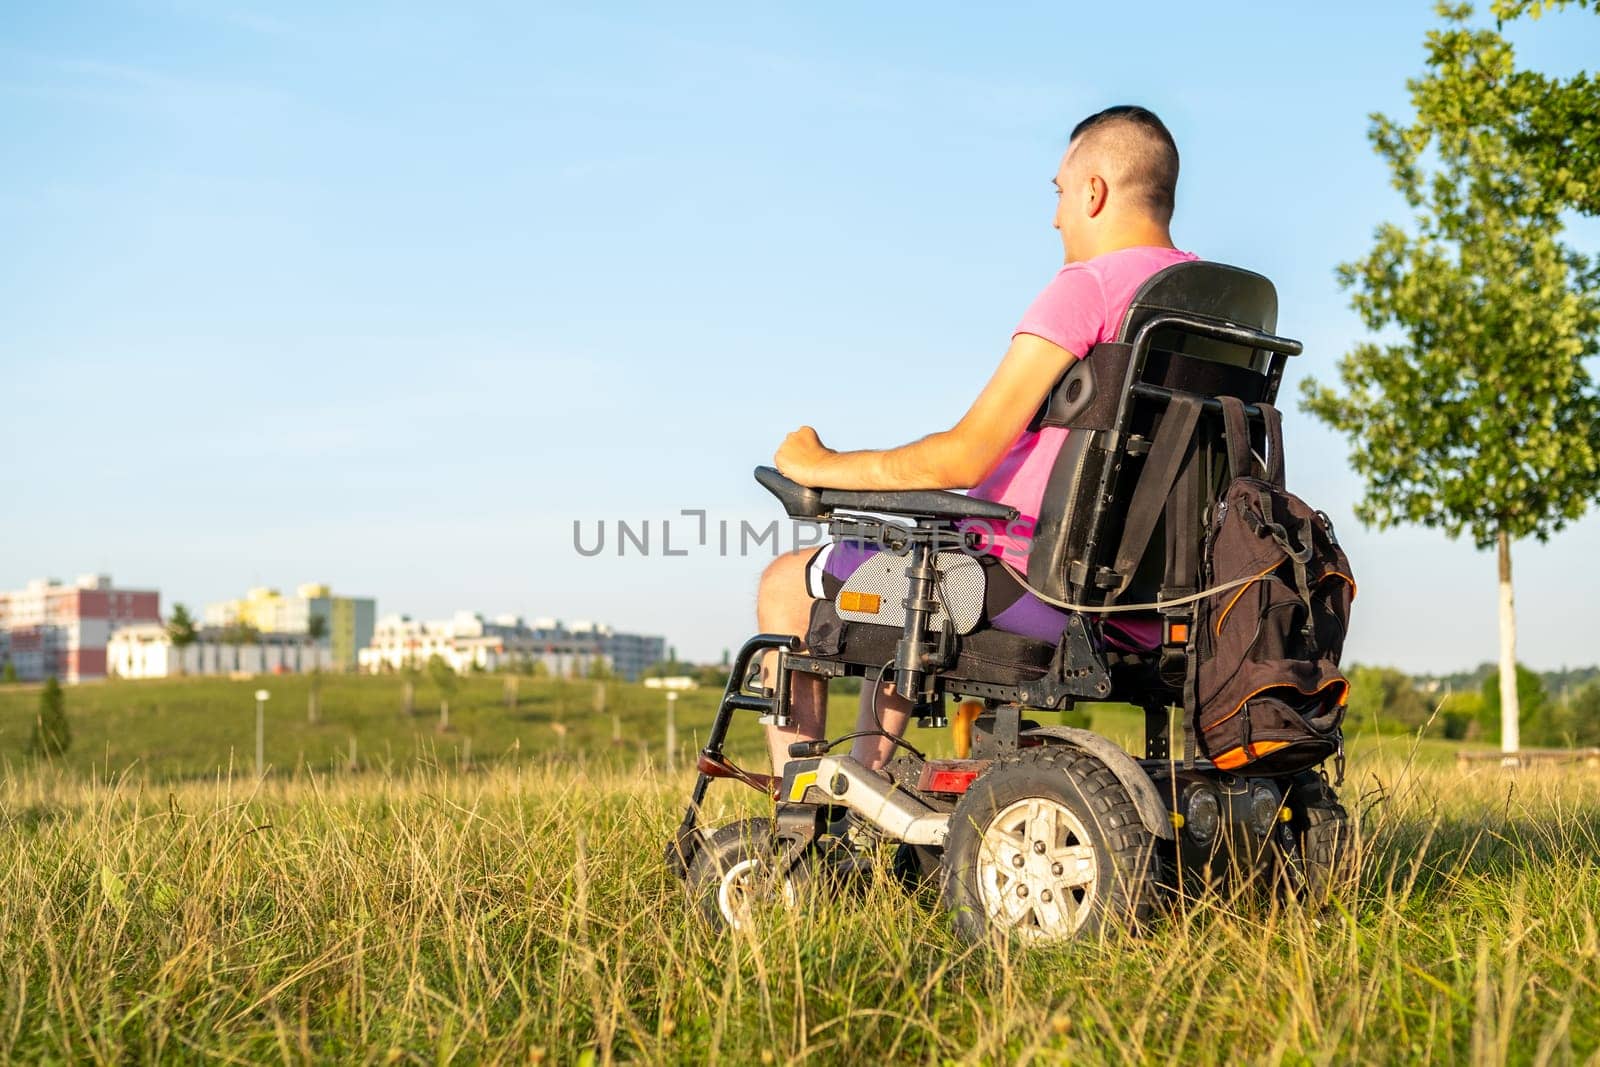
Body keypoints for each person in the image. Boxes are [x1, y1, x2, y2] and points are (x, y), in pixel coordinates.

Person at [756, 105, 1198, 775]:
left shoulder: (1089, 289)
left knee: (788, 581)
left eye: (1058, 194)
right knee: (918, 564)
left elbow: (964, 454)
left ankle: (799, 813)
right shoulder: (1206, 302)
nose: (1055, 219)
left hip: (1032, 585)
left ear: (1094, 192)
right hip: (1154, 604)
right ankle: (866, 786)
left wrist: (823, 465)